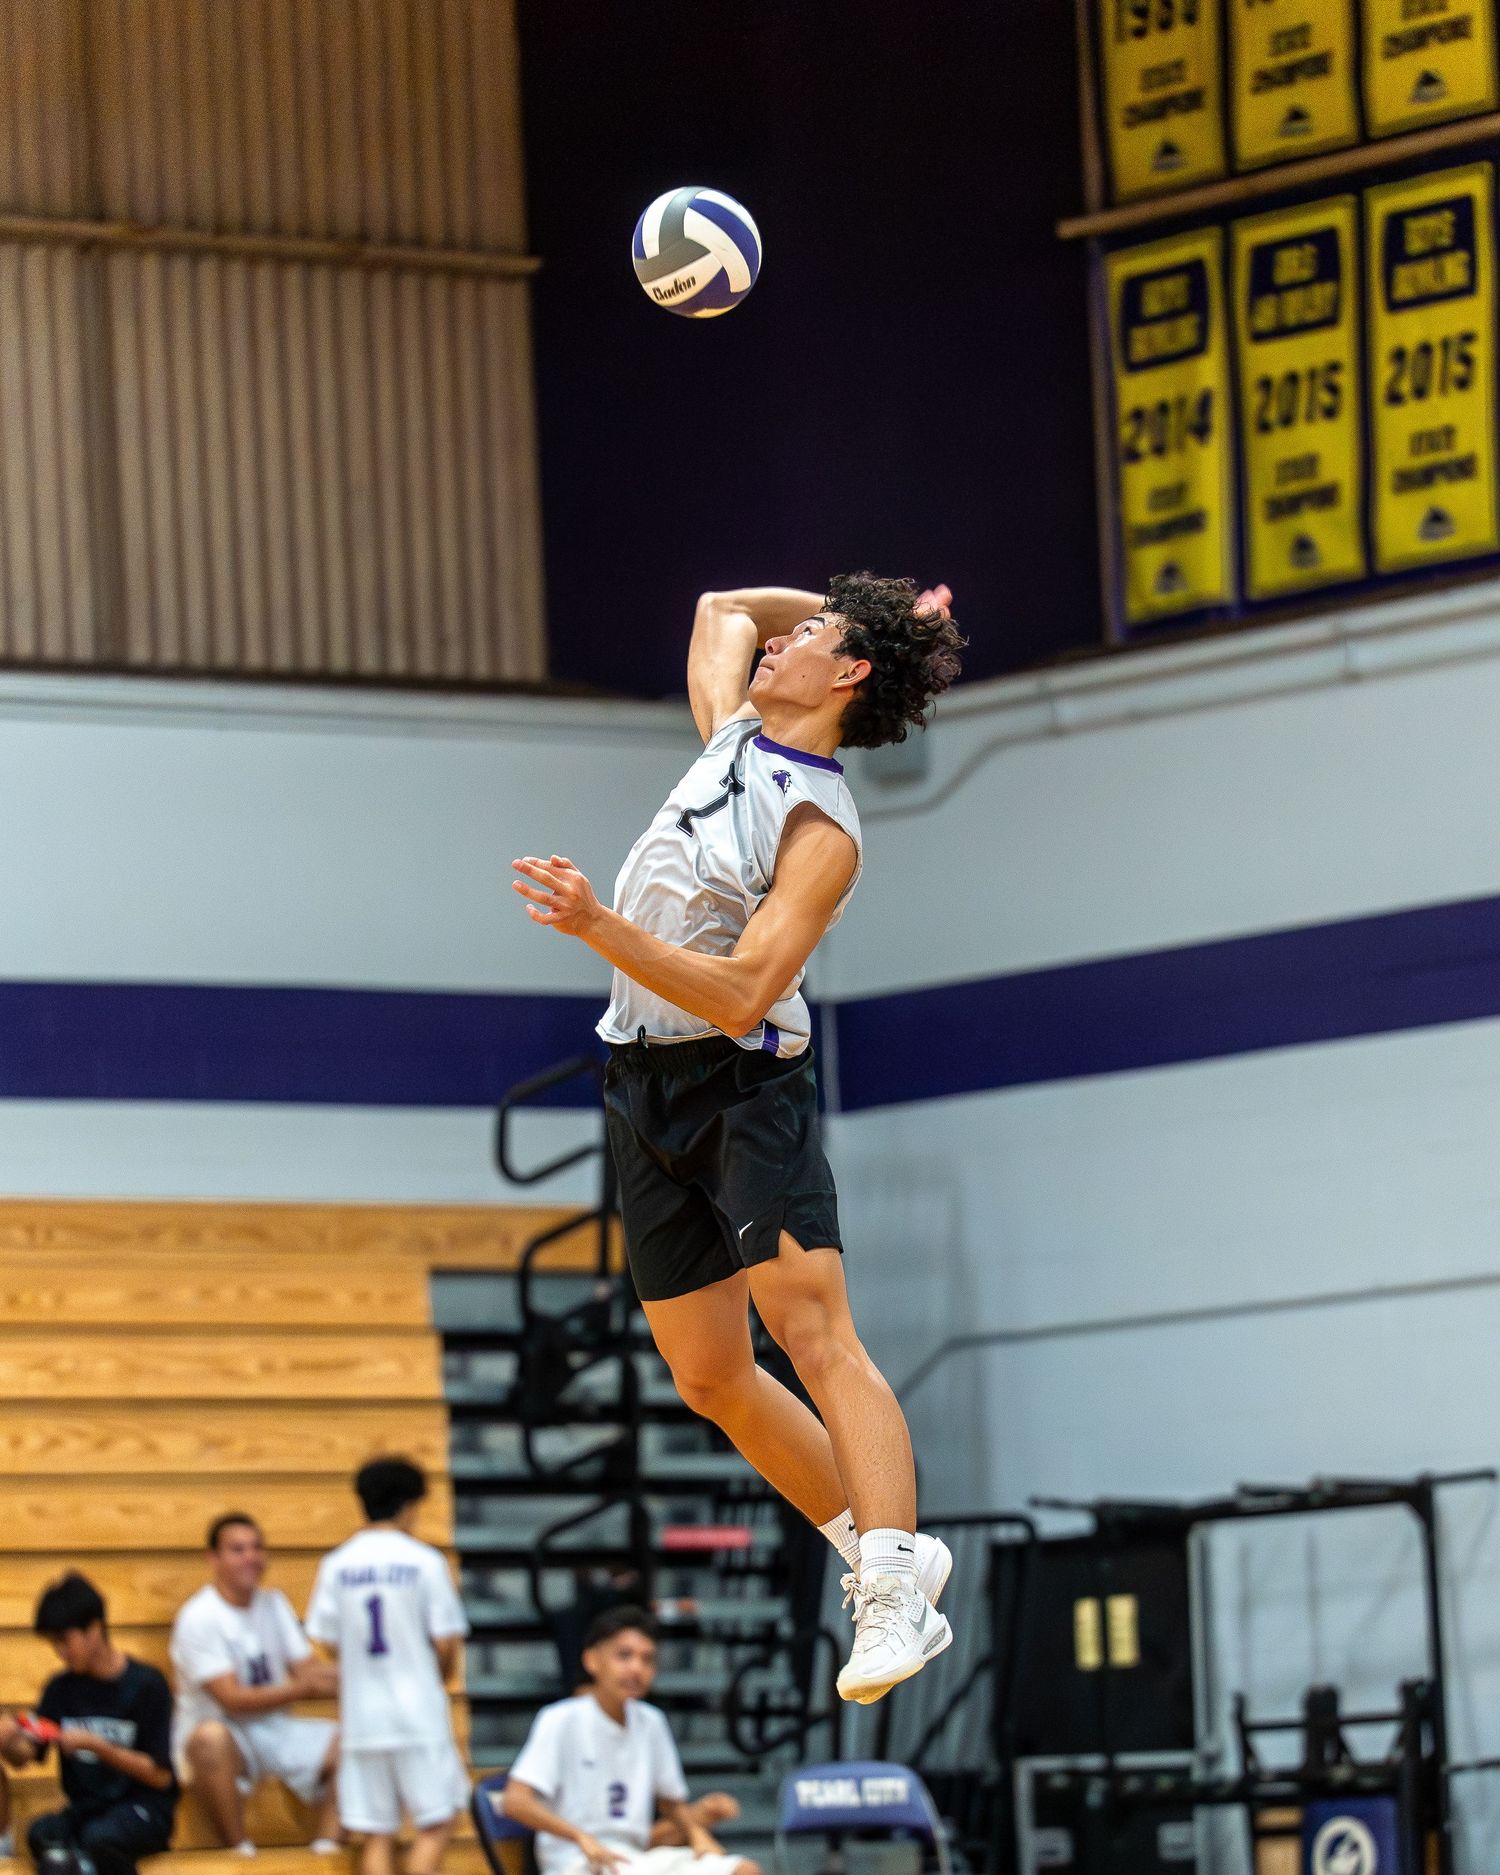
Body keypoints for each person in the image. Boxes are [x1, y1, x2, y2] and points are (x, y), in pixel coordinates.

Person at [510, 576, 964, 1704]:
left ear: (846, 677)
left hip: (742, 1083)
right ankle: (883, 1539)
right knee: (709, 1376)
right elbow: (720, 605)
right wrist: (877, 615)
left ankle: (893, 1585)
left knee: (809, 1329)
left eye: (816, 637)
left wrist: (597, 925)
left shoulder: (820, 828)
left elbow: (745, 992)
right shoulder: (731, 736)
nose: (786, 639)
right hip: (642, 1080)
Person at [305, 1458, 469, 1875]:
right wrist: (437, 1673)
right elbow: (446, 1640)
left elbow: (326, 1639)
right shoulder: (425, 1561)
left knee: (378, 1832)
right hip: (417, 1714)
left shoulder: (336, 1565)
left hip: (363, 1717)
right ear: (409, 1505)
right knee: (436, 1824)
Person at [504, 1605, 757, 1875]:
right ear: (592, 1660)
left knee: (743, 1870)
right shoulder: (560, 1719)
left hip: (635, 1859)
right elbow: (515, 1801)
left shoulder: (652, 1721)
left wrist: (697, 1834)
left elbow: (670, 1801)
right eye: (624, 1656)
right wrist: (580, 1837)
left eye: (647, 1659)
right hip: (576, 1862)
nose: (636, 1668)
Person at [170, 1512, 342, 1854]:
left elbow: (308, 1670)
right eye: (238, 1549)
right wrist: (302, 1689)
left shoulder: (273, 1604)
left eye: (256, 1548)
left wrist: (366, 1676)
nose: (251, 1557)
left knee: (360, 1738)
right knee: (209, 1739)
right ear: (213, 1559)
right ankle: (239, 1850)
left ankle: (327, 1849)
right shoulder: (199, 1616)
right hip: (224, 1734)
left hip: (275, 1730)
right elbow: (232, 1698)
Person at [0, 1573, 177, 1875]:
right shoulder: (60, 1689)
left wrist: (97, 1746)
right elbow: (26, 1755)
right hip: (88, 1811)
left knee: (101, 1839)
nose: (60, 1652)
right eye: (54, 1644)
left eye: (65, 1641)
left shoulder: (147, 1685)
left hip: (144, 1808)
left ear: (94, 1630)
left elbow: (160, 1777)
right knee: (42, 1834)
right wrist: (8, 1740)